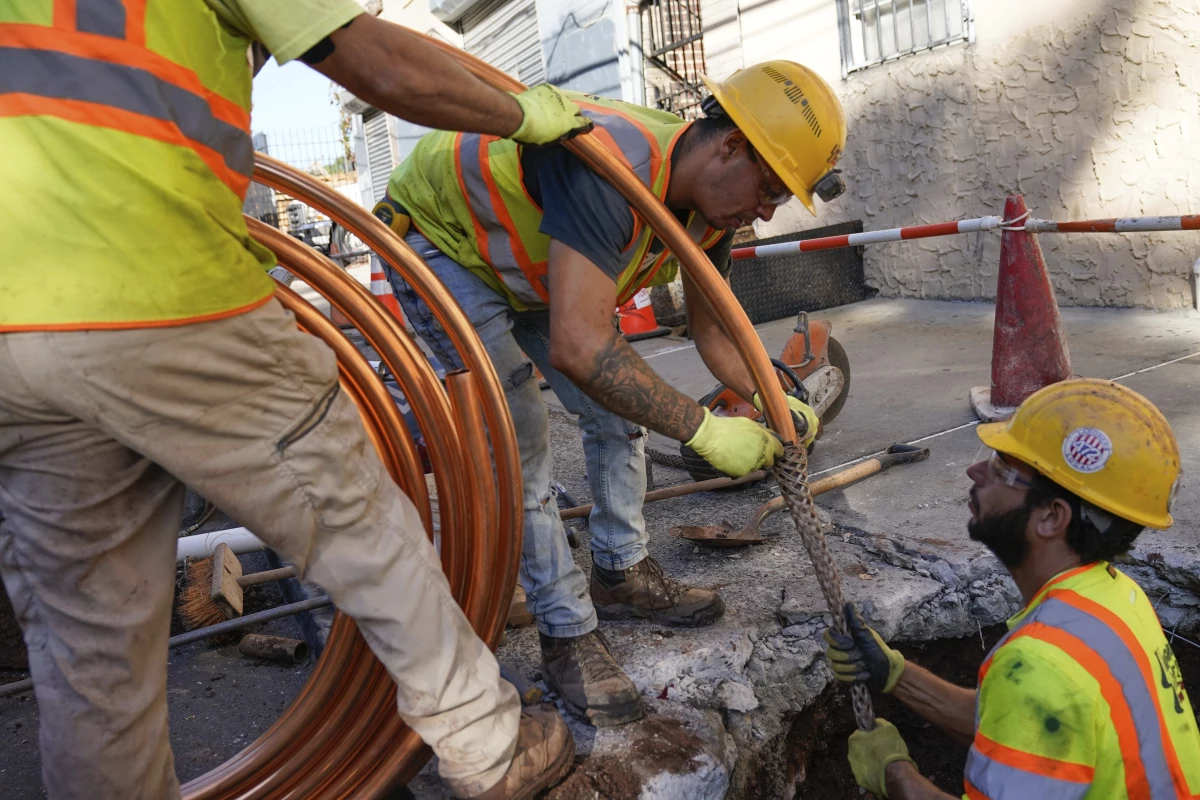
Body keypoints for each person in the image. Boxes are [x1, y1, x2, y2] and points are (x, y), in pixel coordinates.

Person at [0, 1, 596, 798]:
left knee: (91, 646)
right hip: (162, 291)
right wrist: (520, 112)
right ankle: (488, 746)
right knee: (359, 520)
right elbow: (379, 65)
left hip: (9, 337)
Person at [379, 61, 848, 727]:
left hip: (535, 265)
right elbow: (579, 345)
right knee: (521, 438)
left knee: (615, 410)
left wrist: (774, 398)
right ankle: (566, 634)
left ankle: (621, 573)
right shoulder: (612, 173)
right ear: (730, 146)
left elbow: (715, 331)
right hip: (445, 242)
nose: (767, 211)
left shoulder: (712, 208)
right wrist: (705, 431)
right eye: (770, 188)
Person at [824, 379, 1200, 799]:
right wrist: (895, 674)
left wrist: (896, 777)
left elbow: (1036, 697)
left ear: (1052, 518)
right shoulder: (1116, 596)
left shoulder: (1041, 662)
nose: (975, 470)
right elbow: (1023, 725)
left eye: (1003, 467)